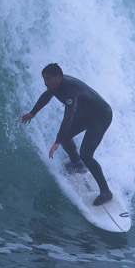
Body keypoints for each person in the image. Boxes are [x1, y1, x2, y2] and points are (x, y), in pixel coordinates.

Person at [21, 63, 114, 205]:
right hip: (87, 113)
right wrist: (32, 113)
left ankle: (106, 192)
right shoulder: (55, 86)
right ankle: (76, 163)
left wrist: (57, 141)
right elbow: (47, 96)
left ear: (58, 77)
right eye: (44, 79)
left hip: (101, 116)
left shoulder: (71, 89)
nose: (45, 82)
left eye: (48, 79)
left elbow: (68, 118)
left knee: (87, 155)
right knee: (66, 138)